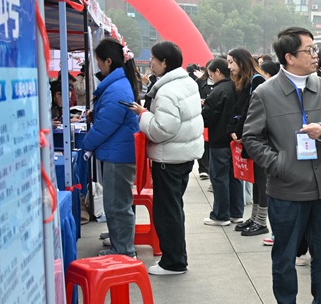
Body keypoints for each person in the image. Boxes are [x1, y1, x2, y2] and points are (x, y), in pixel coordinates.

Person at [241, 27, 321, 304]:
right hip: (287, 188)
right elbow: (251, 138)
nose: (316, 55)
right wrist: (279, 164)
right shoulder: (265, 93)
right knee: (285, 255)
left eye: (315, 49)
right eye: (309, 50)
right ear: (289, 57)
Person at [128, 41, 204, 276]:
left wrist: (143, 114)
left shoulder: (167, 91)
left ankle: (174, 262)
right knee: (174, 209)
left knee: (167, 212)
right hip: (182, 156)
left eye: (153, 58)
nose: (150, 62)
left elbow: (161, 130)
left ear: (164, 62)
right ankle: (175, 258)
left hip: (168, 159)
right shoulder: (187, 82)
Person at [78, 39, 140, 257]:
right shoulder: (118, 85)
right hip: (118, 152)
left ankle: (123, 251)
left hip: (118, 156)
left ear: (109, 61)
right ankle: (120, 244)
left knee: (116, 205)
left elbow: (106, 125)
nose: (98, 66)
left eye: (99, 61)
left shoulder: (117, 88)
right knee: (116, 203)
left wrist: (87, 144)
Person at [226, 48, 269, 237]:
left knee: (261, 180)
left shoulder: (256, 80)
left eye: (231, 62)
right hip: (251, 136)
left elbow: (254, 110)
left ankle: (261, 221)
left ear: (241, 61)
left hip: (259, 138)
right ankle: (254, 218)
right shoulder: (247, 80)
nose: (229, 67)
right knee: (256, 180)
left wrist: (243, 130)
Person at [200, 58, 245, 226]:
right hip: (235, 140)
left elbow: (208, 118)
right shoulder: (238, 87)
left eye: (211, 74)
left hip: (219, 140)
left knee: (219, 178)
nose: (211, 77)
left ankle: (220, 215)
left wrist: (203, 109)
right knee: (235, 177)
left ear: (218, 72)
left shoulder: (217, 91)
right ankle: (236, 213)